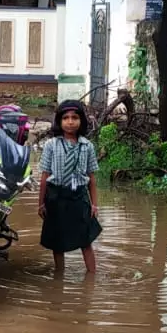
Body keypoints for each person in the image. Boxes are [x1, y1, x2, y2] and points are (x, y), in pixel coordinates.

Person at [38, 100, 102, 274]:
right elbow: (44, 177)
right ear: (59, 121)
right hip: (55, 197)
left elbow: (92, 178)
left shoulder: (87, 146)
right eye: (65, 118)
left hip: (79, 197)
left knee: (85, 240)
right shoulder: (51, 145)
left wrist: (94, 204)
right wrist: (41, 203)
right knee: (57, 243)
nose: (70, 121)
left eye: (75, 117)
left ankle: (92, 276)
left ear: (81, 121)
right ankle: (59, 276)